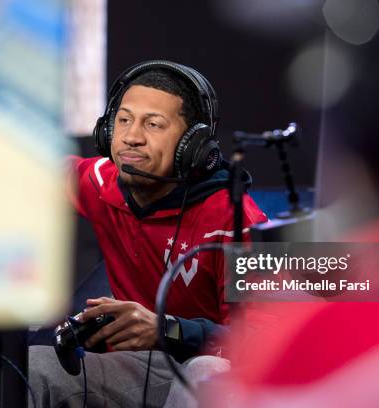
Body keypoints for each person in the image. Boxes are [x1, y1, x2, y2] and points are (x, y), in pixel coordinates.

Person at [28, 60, 267, 408]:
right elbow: (30, 166)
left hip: (216, 371)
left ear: (193, 143)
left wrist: (167, 329)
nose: (131, 137)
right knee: (35, 367)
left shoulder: (238, 220)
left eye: (153, 124)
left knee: (205, 372)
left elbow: (266, 342)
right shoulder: (99, 180)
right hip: (139, 366)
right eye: (123, 120)